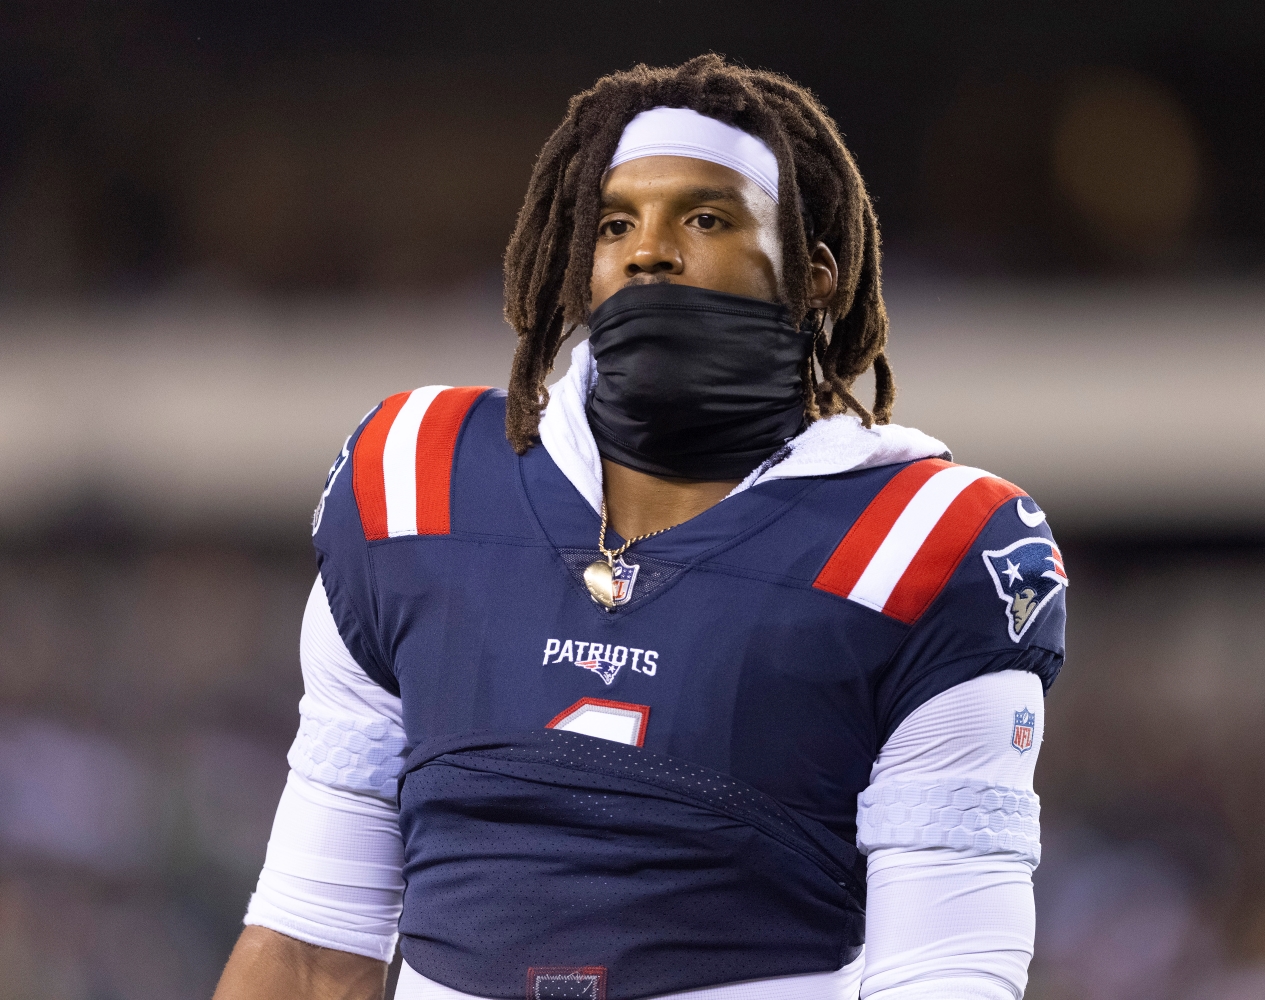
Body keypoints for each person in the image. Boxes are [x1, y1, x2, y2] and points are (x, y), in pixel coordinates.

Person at [212, 54, 1066, 1000]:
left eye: (705, 218)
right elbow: (308, 945)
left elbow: (944, 973)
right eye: (615, 223)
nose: (648, 250)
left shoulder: (932, 537)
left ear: (816, 276)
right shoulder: (411, 478)